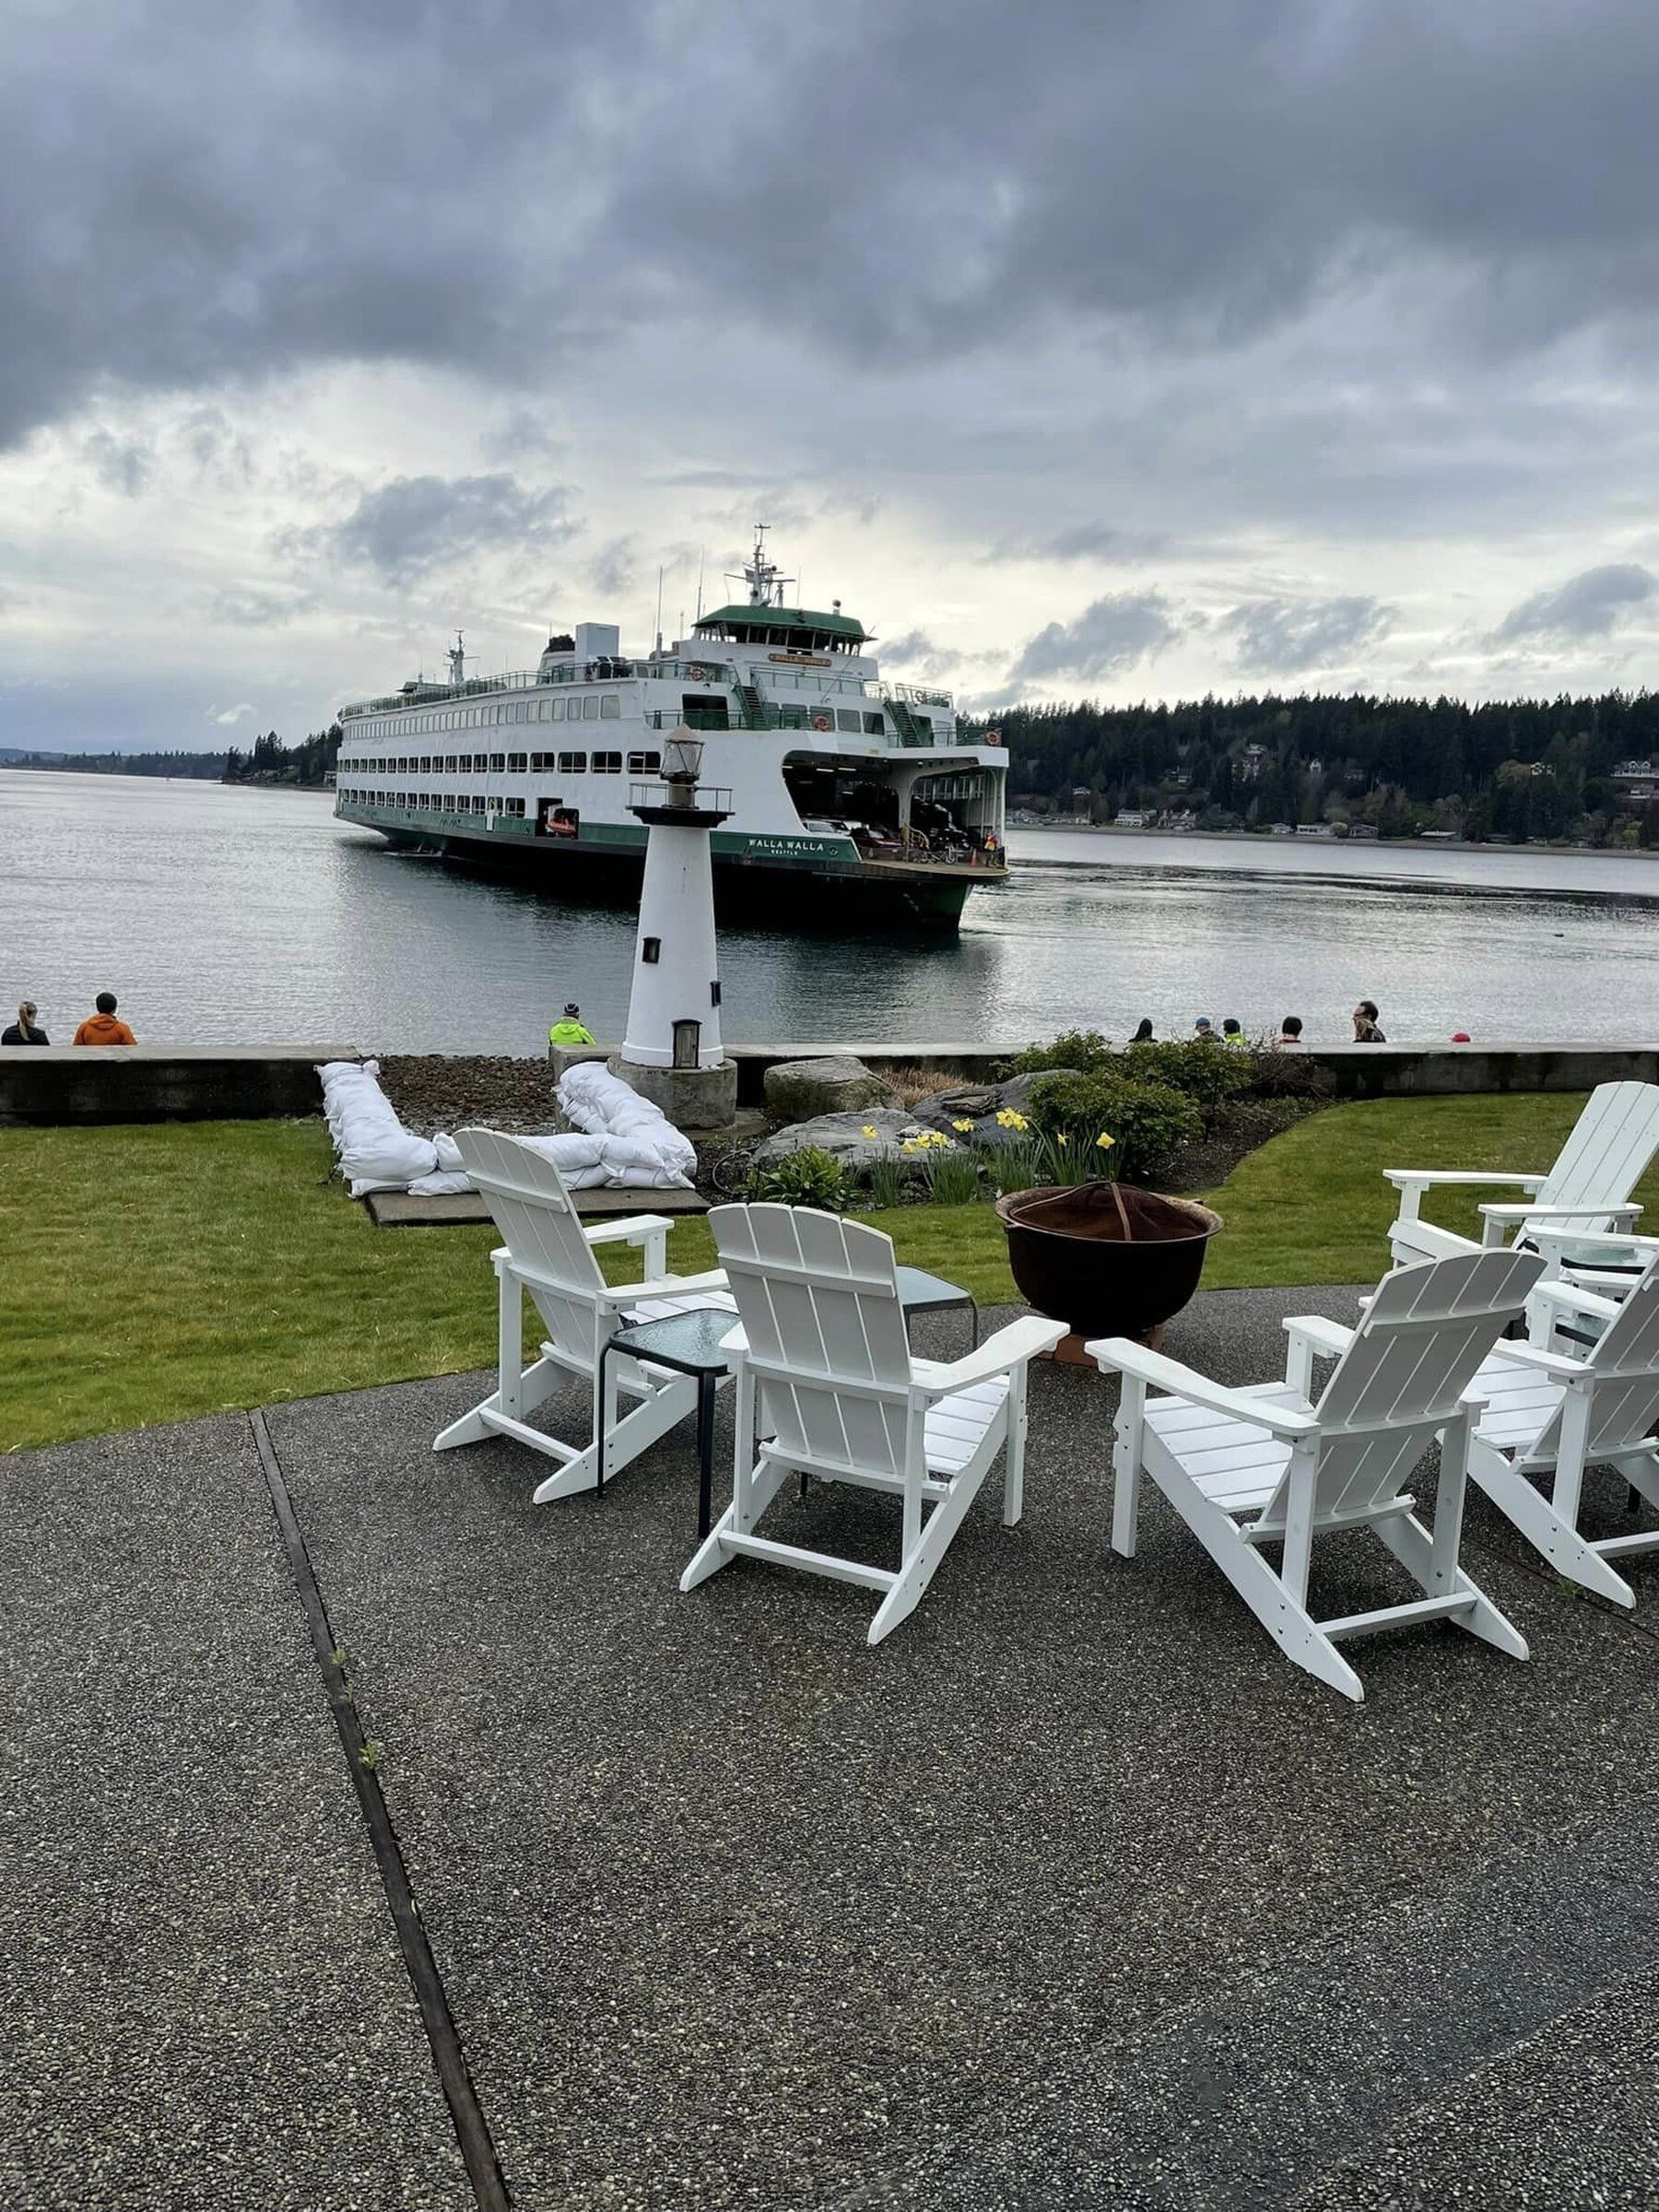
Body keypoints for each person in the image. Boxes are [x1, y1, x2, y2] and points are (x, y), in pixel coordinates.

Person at [72, 992, 136, 1046]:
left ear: (97, 1008)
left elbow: (76, 1049)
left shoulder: (84, 1027)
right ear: (114, 1010)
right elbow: (133, 1049)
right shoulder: (122, 1029)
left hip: (91, 1060)